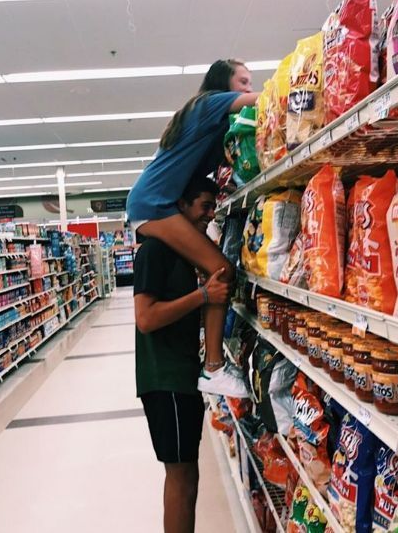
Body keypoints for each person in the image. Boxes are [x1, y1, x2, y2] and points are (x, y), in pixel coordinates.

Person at [127, 59, 260, 397]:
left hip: (153, 202)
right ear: (223, 82)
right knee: (222, 269)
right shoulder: (209, 102)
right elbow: (262, 100)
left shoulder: (203, 119)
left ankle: (211, 363)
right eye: (242, 81)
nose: (247, 87)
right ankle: (213, 368)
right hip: (153, 204)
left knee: (213, 269)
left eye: (249, 82)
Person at [134, 176, 230, 533]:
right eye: (204, 205)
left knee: (188, 472)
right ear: (181, 206)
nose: (210, 213)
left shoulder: (185, 252)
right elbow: (145, 318)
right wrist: (203, 297)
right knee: (180, 475)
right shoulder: (155, 250)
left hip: (182, 376)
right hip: (165, 379)